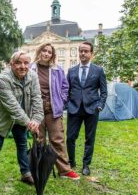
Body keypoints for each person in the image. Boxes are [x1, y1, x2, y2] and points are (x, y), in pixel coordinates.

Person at [0, 51, 44, 195]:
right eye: (18, 63)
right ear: (11, 64)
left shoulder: (33, 76)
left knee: (22, 145)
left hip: (23, 119)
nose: (22, 66)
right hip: (1, 119)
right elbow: (13, 107)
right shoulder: (3, 79)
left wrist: (36, 120)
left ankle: (26, 174)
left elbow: (37, 99)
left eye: (25, 63)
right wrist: (29, 123)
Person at [31, 43, 80, 180]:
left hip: (53, 110)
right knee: (38, 140)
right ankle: (39, 170)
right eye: (44, 51)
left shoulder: (57, 70)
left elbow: (65, 87)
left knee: (57, 140)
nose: (46, 54)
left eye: (49, 52)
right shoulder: (30, 69)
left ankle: (64, 170)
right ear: (39, 51)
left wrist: (61, 100)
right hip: (36, 111)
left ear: (52, 55)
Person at [66, 42, 107, 176]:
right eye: (81, 51)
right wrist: (66, 104)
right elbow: (67, 90)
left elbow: (104, 91)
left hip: (92, 109)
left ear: (91, 54)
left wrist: (100, 105)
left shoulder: (98, 70)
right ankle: (71, 162)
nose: (83, 53)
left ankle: (86, 165)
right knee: (70, 137)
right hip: (74, 109)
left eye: (86, 51)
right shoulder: (71, 70)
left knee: (90, 138)